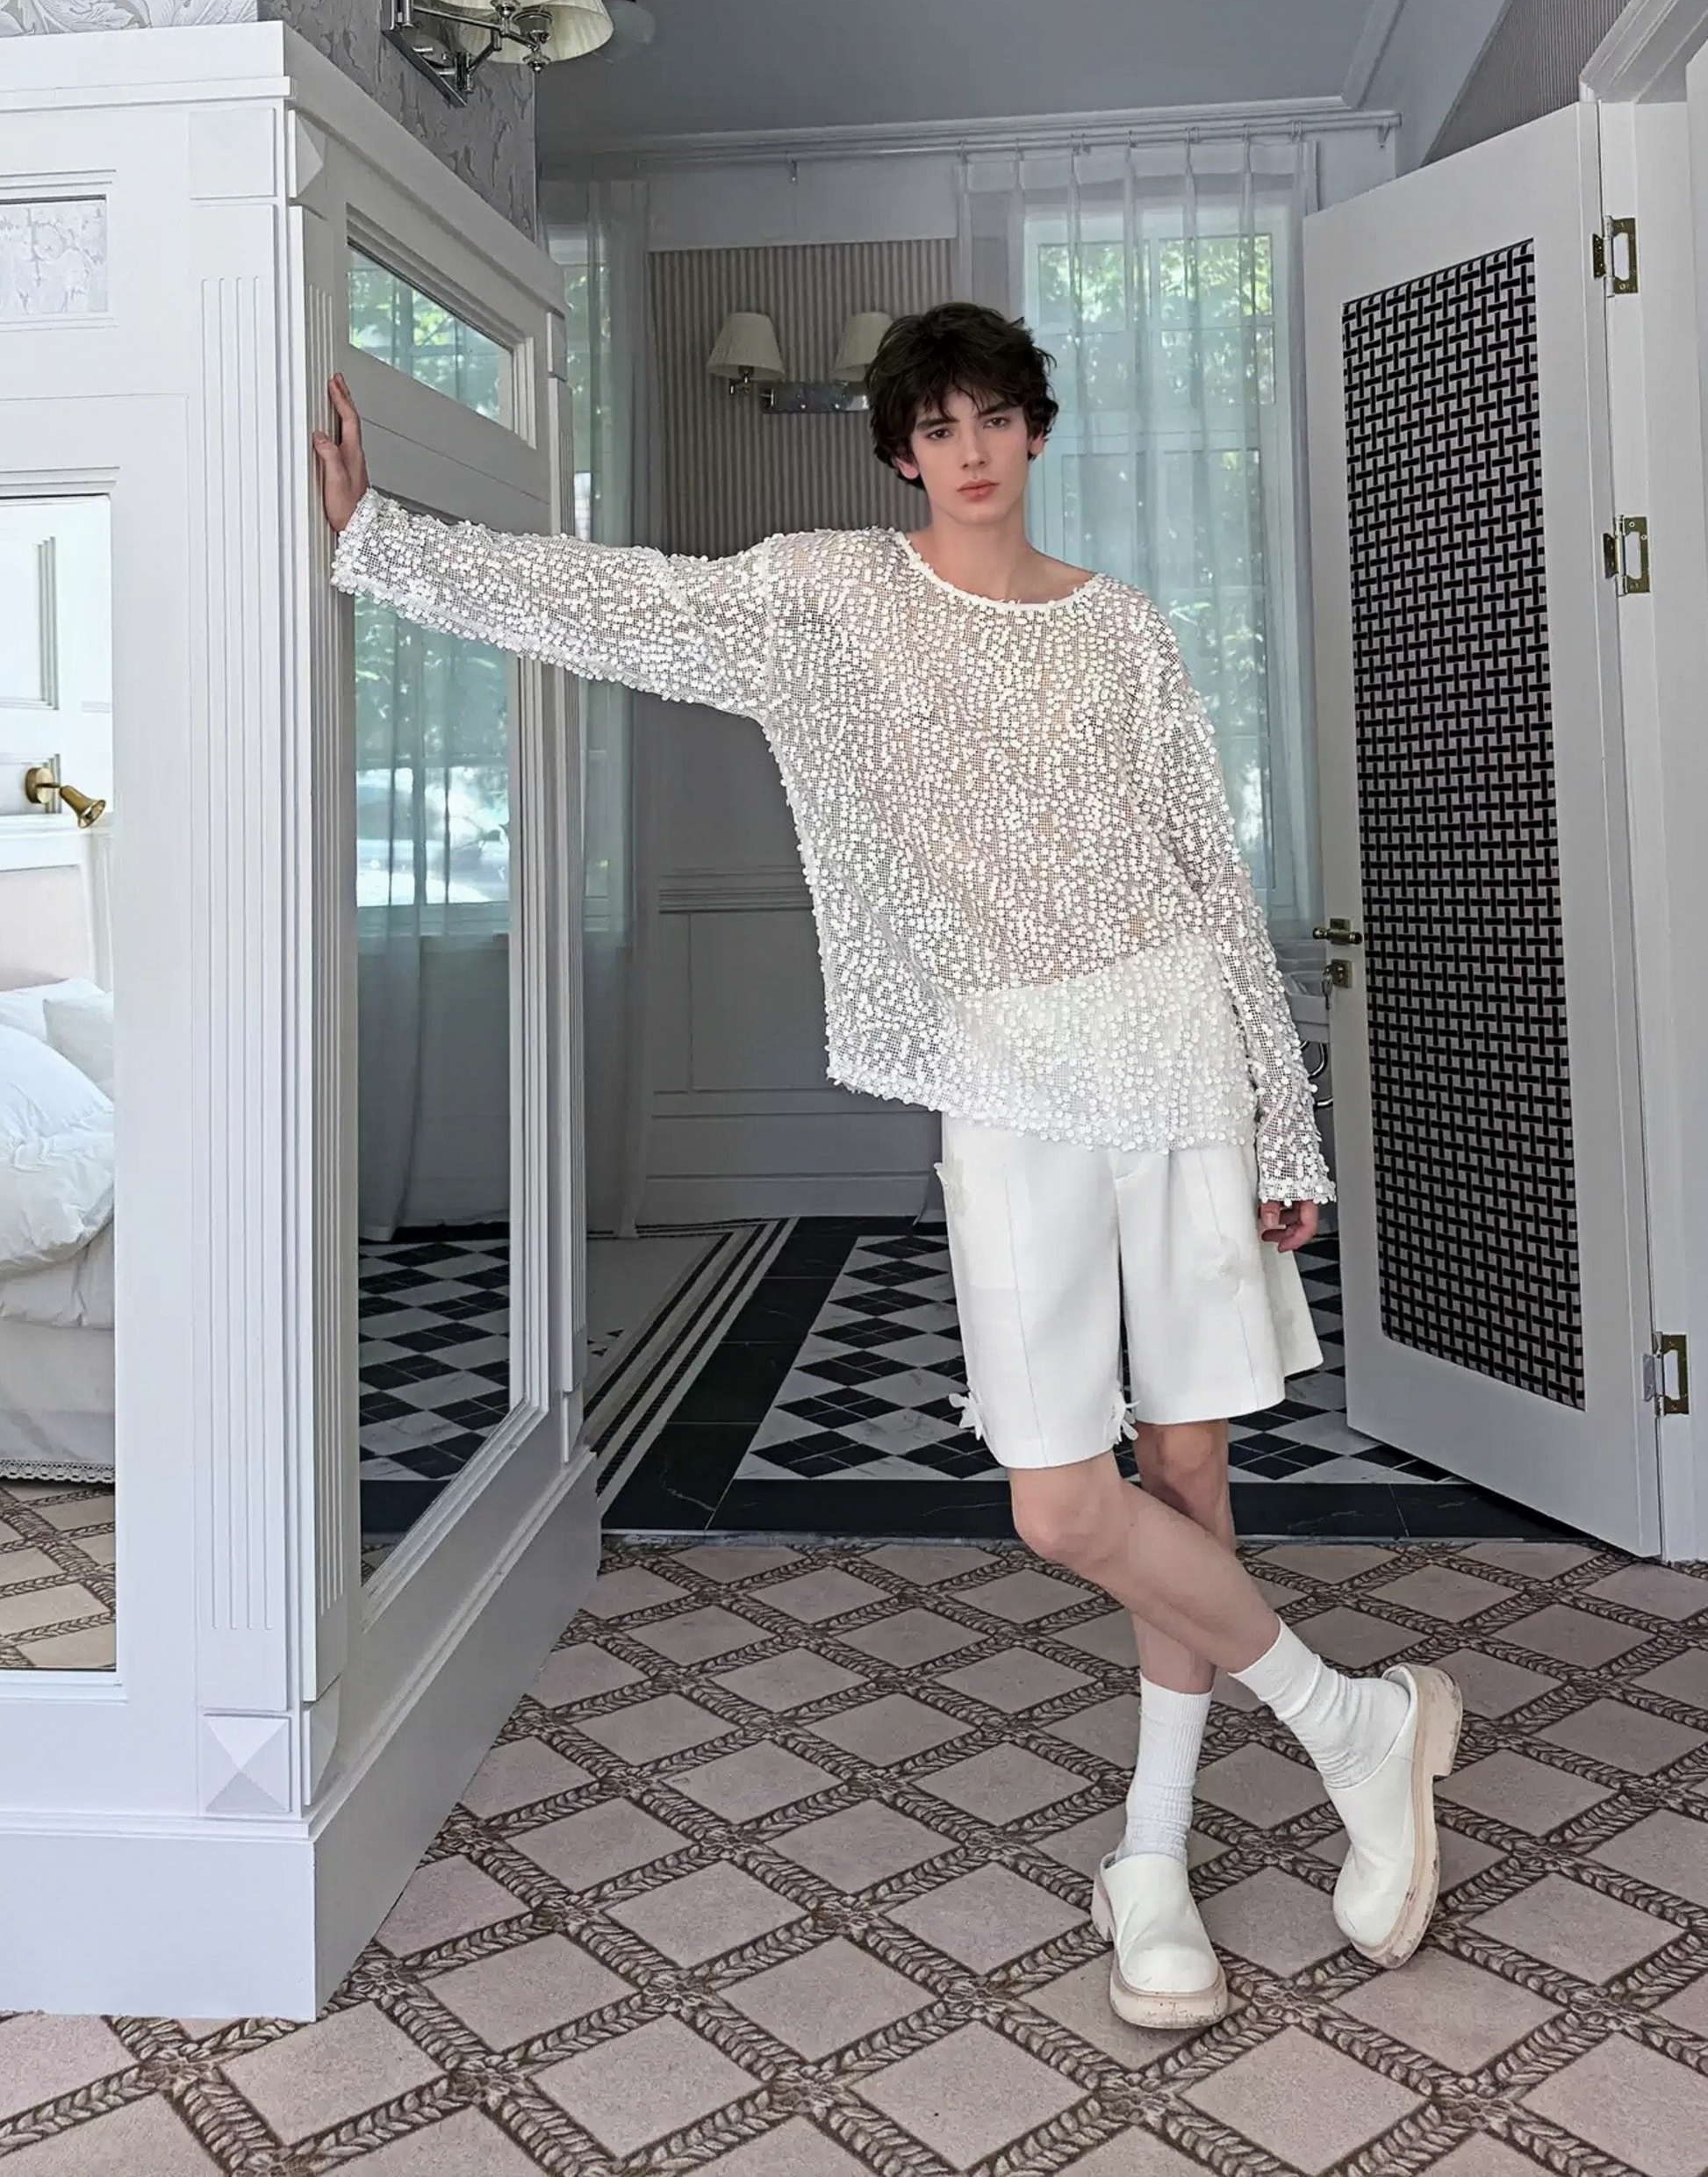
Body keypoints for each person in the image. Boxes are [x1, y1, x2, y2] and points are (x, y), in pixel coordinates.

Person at [313, 302, 1460, 2031]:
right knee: (1063, 1501)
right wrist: (383, 546)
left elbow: (1205, 876)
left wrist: (1280, 1116)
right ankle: (1354, 1721)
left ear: (1035, 431)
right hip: (1007, 1081)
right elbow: (624, 605)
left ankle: (1150, 1853)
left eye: (997, 416)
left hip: (1174, 1059)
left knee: (1186, 1472)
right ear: (901, 451)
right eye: (938, 425)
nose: (971, 449)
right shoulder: (829, 598)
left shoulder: (1124, 629)